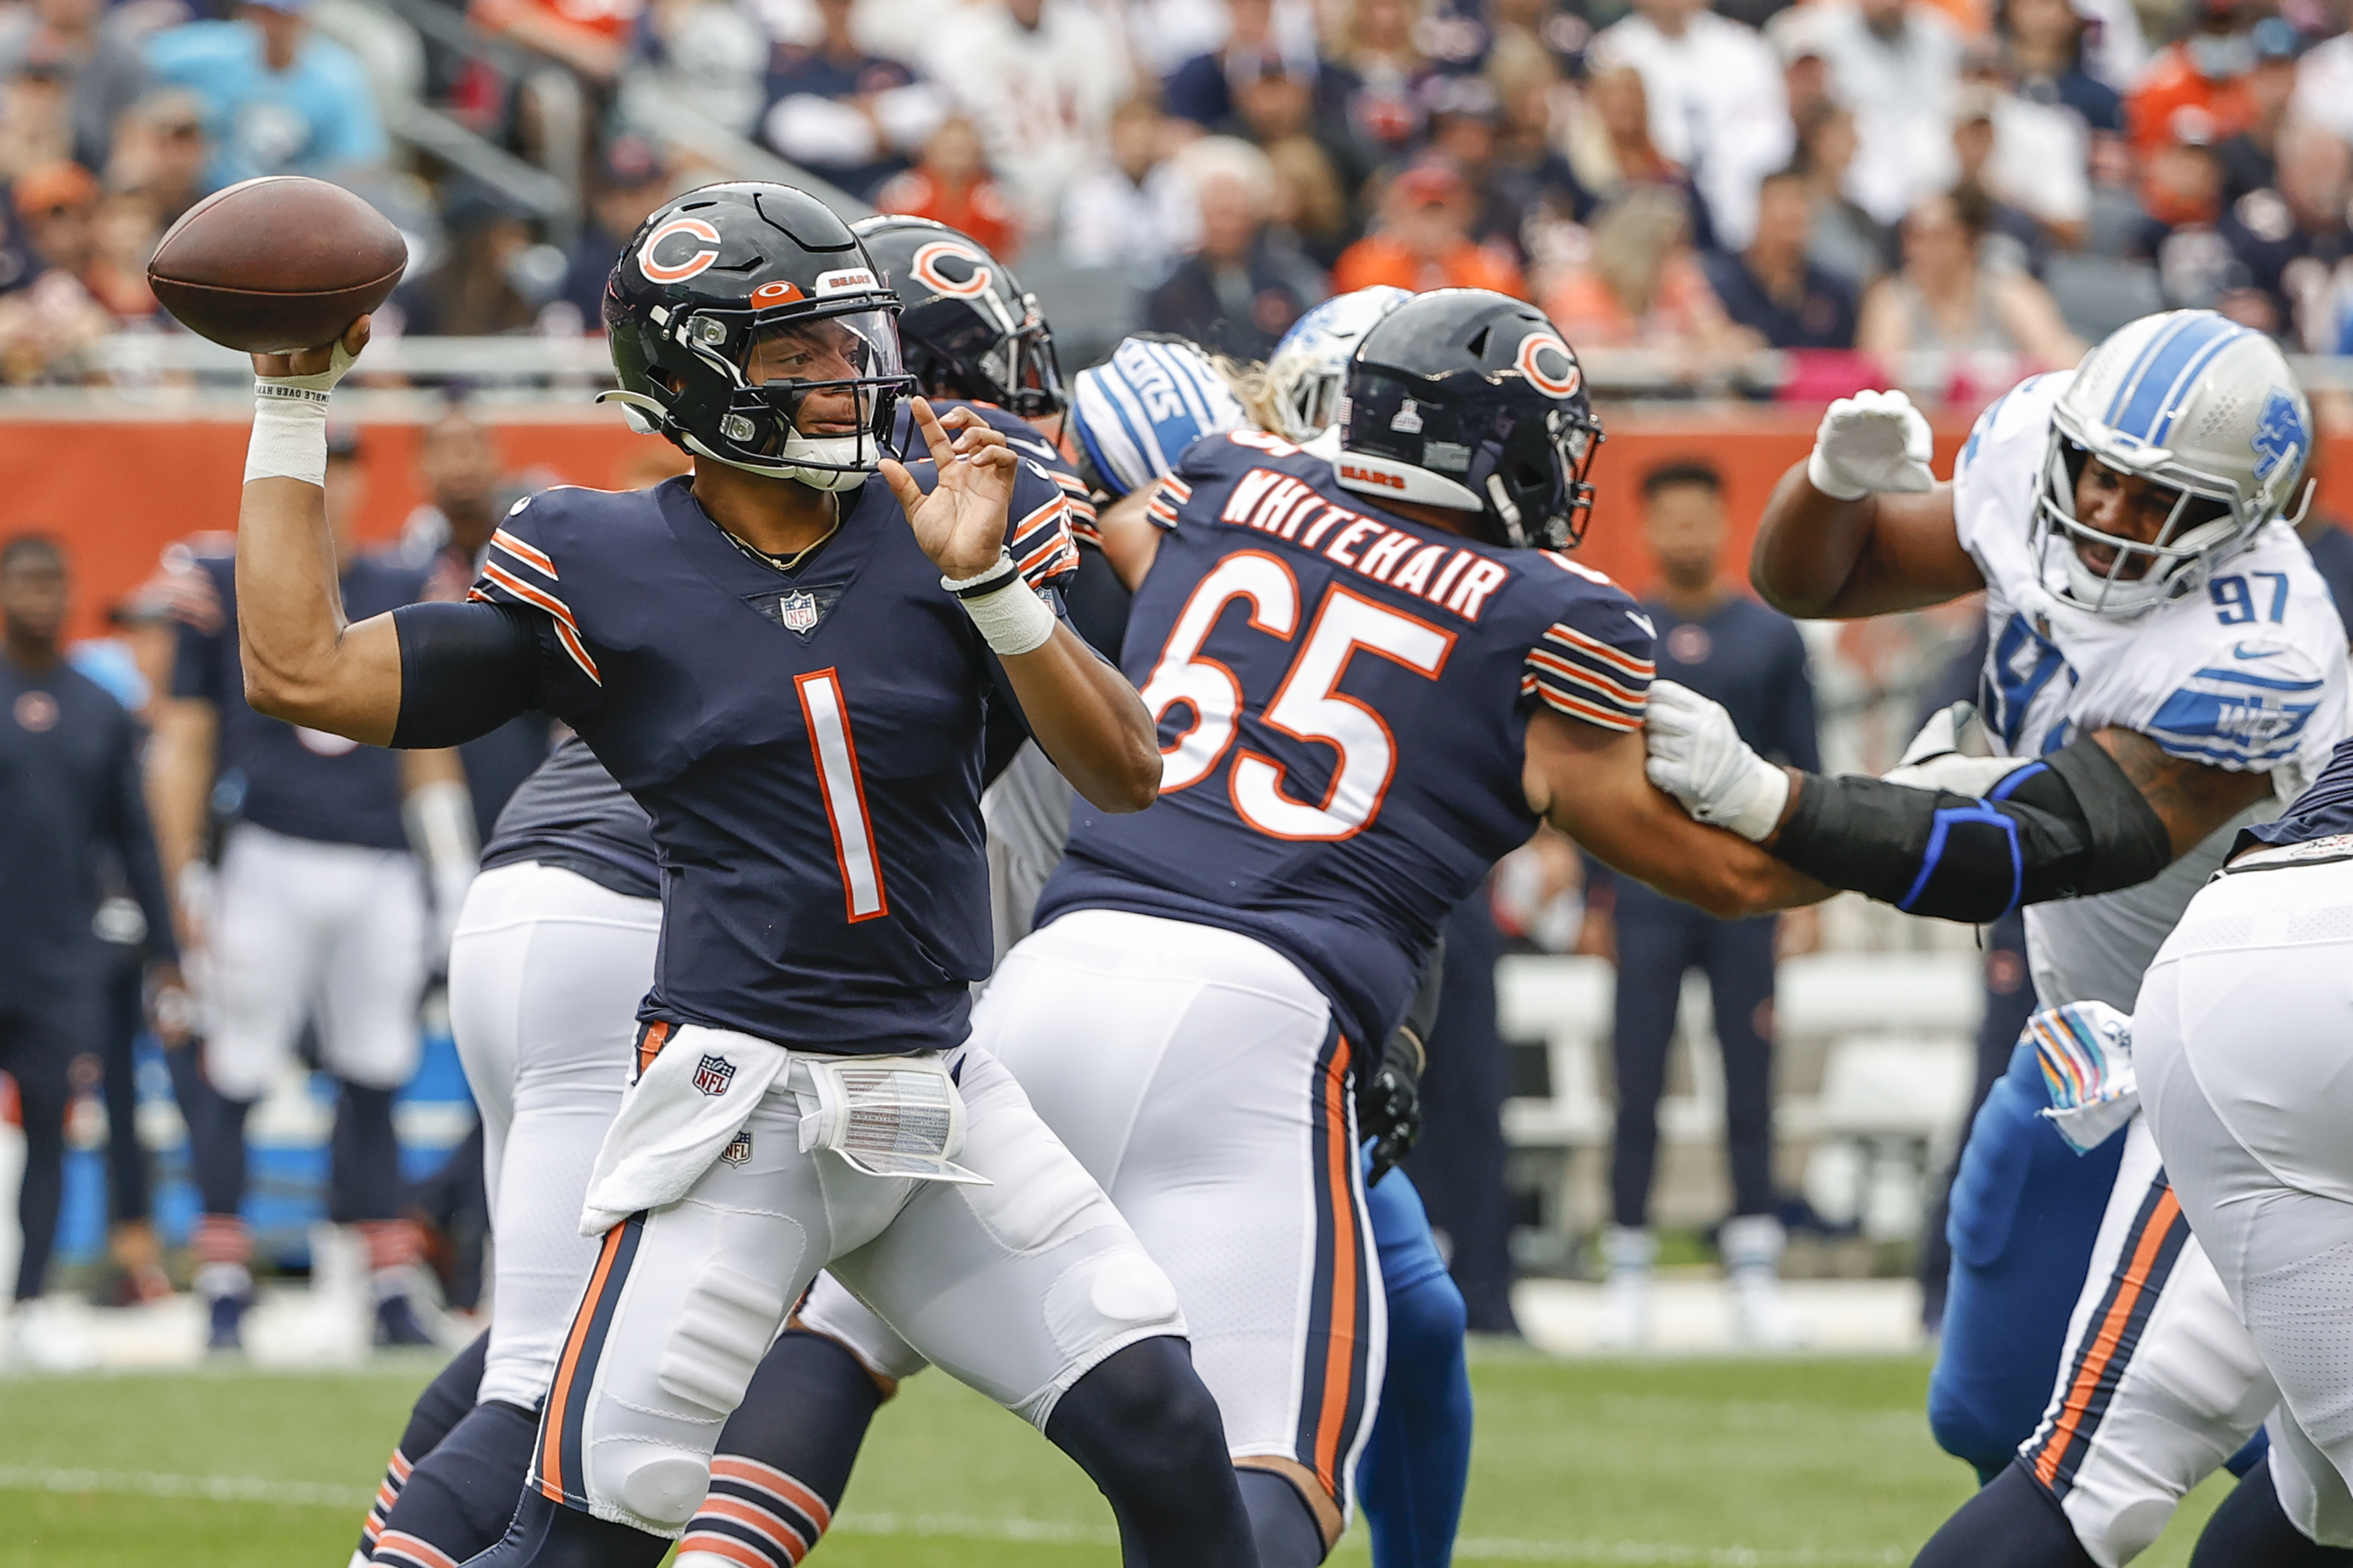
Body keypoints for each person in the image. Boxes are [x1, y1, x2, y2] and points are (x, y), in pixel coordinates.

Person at [709, 288, 1839, 1568]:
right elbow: (1683, 857)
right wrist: (1844, 828)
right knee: (1274, 1447)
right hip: (1244, 997)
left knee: (857, 1326)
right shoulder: (1506, 591)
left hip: (1055, 968)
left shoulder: (1205, 482)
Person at [235, 181, 1252, 1568]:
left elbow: (1127, 766)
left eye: (852, 342)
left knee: (1162, 1418)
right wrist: (291, 407)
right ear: (702, 377)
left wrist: (999, 591)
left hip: (935, 1088)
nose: (852, 376)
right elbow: (306, 669)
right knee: (585, 1533)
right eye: (803, 354)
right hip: (741, 1108)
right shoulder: (595, 557)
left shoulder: (945, 513)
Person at [1635, 311, 2353, 1565]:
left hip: (2227, 1066)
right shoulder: (2033, 454)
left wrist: (1770, 797)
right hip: (2084, 1034)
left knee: (2183, 1451)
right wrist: (1827, 484)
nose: (2112, 513)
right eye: (2103, 475)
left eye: (2158, 500)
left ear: (2244, 516)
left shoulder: (2266, 647)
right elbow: (1819, 578)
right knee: (1985, 1404)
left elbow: (2044, 842)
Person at [148, 427, 477, 1353]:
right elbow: (185, 737)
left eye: (346, 469)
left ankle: (380, 1276)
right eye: (317, 467)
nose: (330, 488)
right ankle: (222, 1275)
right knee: (238, 1064)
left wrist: (450, 864)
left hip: (376, 862)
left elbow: (430, 739)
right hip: (268, 852)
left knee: (375, 1067)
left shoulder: (400, 585)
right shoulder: (219, 578)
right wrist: (185, 873)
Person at [1600, 458, 1820, 1350]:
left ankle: (1755, 1267)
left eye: (1700, 516)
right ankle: (1626, 1263)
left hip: (1744, 891)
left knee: (1749, 1080)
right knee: (1637, 1077)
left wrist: (1807, 895)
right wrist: (1591, 891)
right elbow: (1598, 771)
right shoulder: (1618, 629)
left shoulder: (1771, 639)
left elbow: (1807, 765)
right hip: (1646, 889)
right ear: (1648, 526)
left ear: (1723, 523)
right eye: (1670, 518)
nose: (1685, 532)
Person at [0, 534, 178, 1368]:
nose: (40, 595)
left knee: (47, 1131)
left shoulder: (98, 708)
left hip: (56, 958)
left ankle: (30, 1299)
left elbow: (136, 841)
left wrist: (169, 946)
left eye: (52, 581)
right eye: (25, 580)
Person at [1585, 0, 1792, 249]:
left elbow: (1773, 138)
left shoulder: (1745, 47)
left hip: (1741, 207)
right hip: (1653, 201)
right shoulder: (1612, 51)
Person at [142, 0, 385, 191]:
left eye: (283, 15)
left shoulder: (339, 78)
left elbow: (360, 162)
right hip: (206, 195)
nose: (272, 25)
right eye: (264, 12)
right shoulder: (215, 51)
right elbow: (138, 61)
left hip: (293, 209)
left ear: (304, 18)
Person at [1856, 185, 2084, 368]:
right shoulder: (1892, 300)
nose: (1917, 249)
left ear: (1969, 240)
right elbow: (1877, 378)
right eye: (1912, 236)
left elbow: (2061, 359)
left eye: (1935, 236)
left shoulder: (2010, 292)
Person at [1146, 138, 1322, 359]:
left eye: (1234, 213)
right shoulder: (1172, 292)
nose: (1226, 226)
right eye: (1217, 213)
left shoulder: (1289, 277)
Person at [1707, 164, 1862, 350]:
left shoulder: (1835, 291)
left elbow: (1851, 361)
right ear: (1759, 213)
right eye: (1782, 217)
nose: (1792, 213)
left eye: (1798, 215)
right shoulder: (1717, 285)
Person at [1330, 158, 1525, 298]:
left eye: (1439, 213)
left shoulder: (1491, 270)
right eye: (1422, 213)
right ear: (1397, 213)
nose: (1430, 226)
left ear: (1463, 215)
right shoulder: (1363, 264)